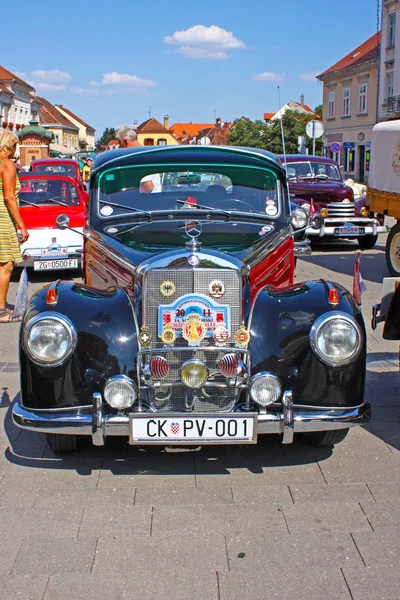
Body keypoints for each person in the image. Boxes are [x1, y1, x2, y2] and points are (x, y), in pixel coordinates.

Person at [0, 130, 29, 323]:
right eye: (16, 145)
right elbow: (10, 197)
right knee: (6, 263)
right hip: (3, 217)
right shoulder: (7, 164)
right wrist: (22, 225)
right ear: (9, 145)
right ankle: (1, 309)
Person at [116, 126, 161, 193]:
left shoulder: (142, 157)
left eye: (120, 145)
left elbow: (148, 186)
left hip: (146, 201)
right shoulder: (144, 153)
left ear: (125, 142)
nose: (120, 149)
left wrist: (133, 196)